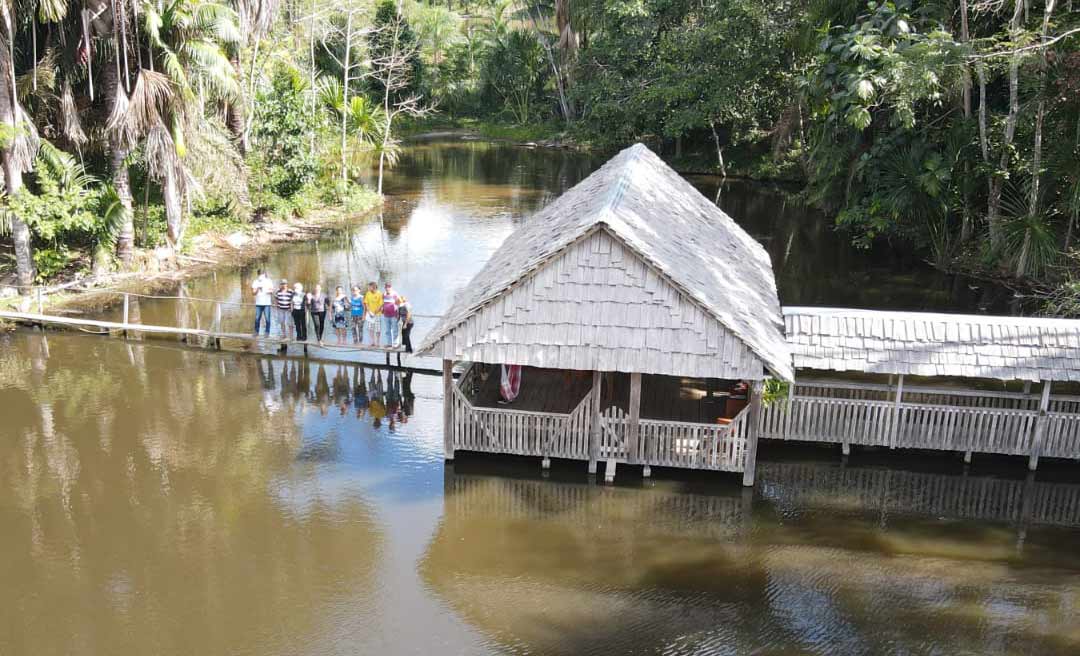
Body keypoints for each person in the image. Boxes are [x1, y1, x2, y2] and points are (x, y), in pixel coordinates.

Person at [251, 269, 275, 336]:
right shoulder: (255, 282)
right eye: (260, 274)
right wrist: (257, 289)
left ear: (264, 274)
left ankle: (267, 332)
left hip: (267, 303)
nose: (261, 276)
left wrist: (266, 290)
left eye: (262, 274)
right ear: (258, 274)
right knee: (257, 318)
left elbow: (272, 291)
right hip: (258, 303)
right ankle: (256, 332)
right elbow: (253, 293)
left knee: (267, 319)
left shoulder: (269, 281)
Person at [380, 282, 402, 348]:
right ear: (385, 288)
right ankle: (389, 343)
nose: (387, 288)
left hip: (394, 315)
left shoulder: (395, 294)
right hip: (386, 315)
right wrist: (382, 308)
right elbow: (382, 303)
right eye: (386, 287)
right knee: (387, 330)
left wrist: (398, 312)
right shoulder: (383, 294)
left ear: (391, 287)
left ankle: (395, 344)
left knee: (395, 330)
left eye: (389, 287)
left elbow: (400, 302)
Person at [362, 282, 383, 346]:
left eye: (369, 287)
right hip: (369, 314)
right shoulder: (368, 293)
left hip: (377, 314)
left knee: (378, 329)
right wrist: (369, 311)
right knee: (370, 328)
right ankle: (372, 342)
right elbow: (366, 303)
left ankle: (378, 342)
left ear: (374, 287)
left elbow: (381, 304)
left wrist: (375, 312)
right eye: (369, 287)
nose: (368, 288)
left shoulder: (379, 294)